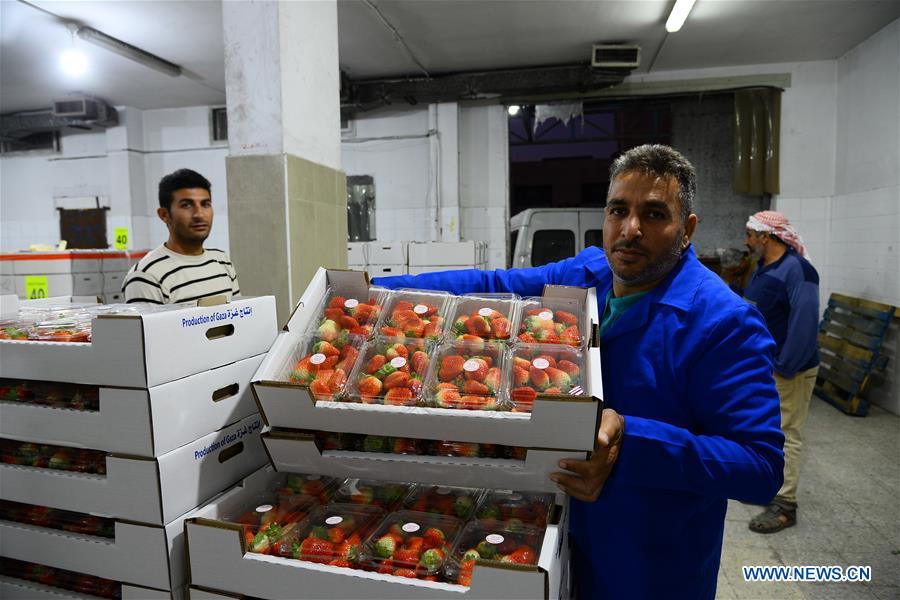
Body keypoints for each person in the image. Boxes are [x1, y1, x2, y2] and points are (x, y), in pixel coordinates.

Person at [371, 144, 784, 599]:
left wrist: (632, 438)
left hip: (650, 563)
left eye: (653, 214)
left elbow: (760, 468)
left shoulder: (723, 322)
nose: (630, 229)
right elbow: (493, 286)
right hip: (557, 531)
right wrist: (377, 292)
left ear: (686, 230)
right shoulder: (590, 274)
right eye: (618, 210)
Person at [743, 211, 820, 534]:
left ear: (766, 236)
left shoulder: (798, 270)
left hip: (790, 368)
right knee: (770, 430)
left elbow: (804, 323)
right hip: (767, 367)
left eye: (750, 234)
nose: (746, 240)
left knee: (788, 433)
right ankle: (771, 487)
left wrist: (785, 367)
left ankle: (785, 505)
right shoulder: (764, 269)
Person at [122, 169, 239, 304]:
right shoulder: (146, 276)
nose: (199, 215)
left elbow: (238, 319)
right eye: (186, 205)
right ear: (164, 215)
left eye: (205, 204)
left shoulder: (222, 261)